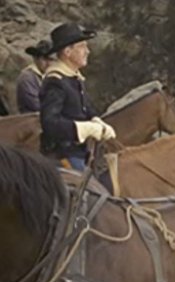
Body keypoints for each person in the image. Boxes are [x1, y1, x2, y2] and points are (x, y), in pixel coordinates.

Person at [39, 23, 115, 171]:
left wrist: (96, 120)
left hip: (81, 152)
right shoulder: (55, 81)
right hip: (64, 155)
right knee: (94, 192)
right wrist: (85, 128)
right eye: (81, 47)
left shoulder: (73, 78)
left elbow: (85, 108)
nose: (87, 51)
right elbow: (49, 123)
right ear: (67, 52)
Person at [16, 40, 53, 113]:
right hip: (32, 121)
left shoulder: (49, 75)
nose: (48, 63)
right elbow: (36, 105)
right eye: (44, 59)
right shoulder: (27, 78)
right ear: (35, 58)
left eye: (51, 59)